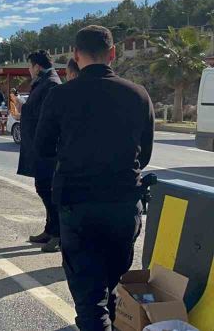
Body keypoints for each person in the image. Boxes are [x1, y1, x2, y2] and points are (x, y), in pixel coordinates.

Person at [35, 25, 153, 331]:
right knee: (113, 288)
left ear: (76, 54)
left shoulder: (60, 96)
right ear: (112, 54)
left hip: (78, 206)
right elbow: (146, 153)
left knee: (89, 300)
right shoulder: (138, 95)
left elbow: (43, 148)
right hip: (124, 206)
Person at [17, 50, 62, 253]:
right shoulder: (44, 82)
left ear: (37, 66)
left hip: (48, 149)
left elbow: (48, 116)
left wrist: (23, 107)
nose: (29, 71)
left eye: (29, 67)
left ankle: (58, 234)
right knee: (43, 188)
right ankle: (50, 229)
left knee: (48, 191)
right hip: (39, 146)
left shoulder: (51, 83)